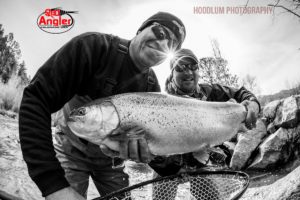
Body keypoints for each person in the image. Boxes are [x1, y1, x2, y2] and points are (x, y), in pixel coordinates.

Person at [19, 12, 186, 200]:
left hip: (111, 164)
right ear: (141, 29)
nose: (163, 44)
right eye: (160, 32)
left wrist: (147, 155)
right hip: (69, 151)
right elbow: (36, 99)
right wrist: (53, 185)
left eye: (172, 45)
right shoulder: (93, 48)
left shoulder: (151, 88)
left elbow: (150, 144)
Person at [149, 48, 260, 200]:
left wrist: (253, 104)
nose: (188, 72)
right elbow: (149, 148)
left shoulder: (210, 91)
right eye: (181, 67)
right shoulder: (162, 103)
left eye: (193, 66)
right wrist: (174, 167)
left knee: (213, 197)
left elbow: (240, 93)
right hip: (167, 161)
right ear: (172, 73)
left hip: (200, 159)